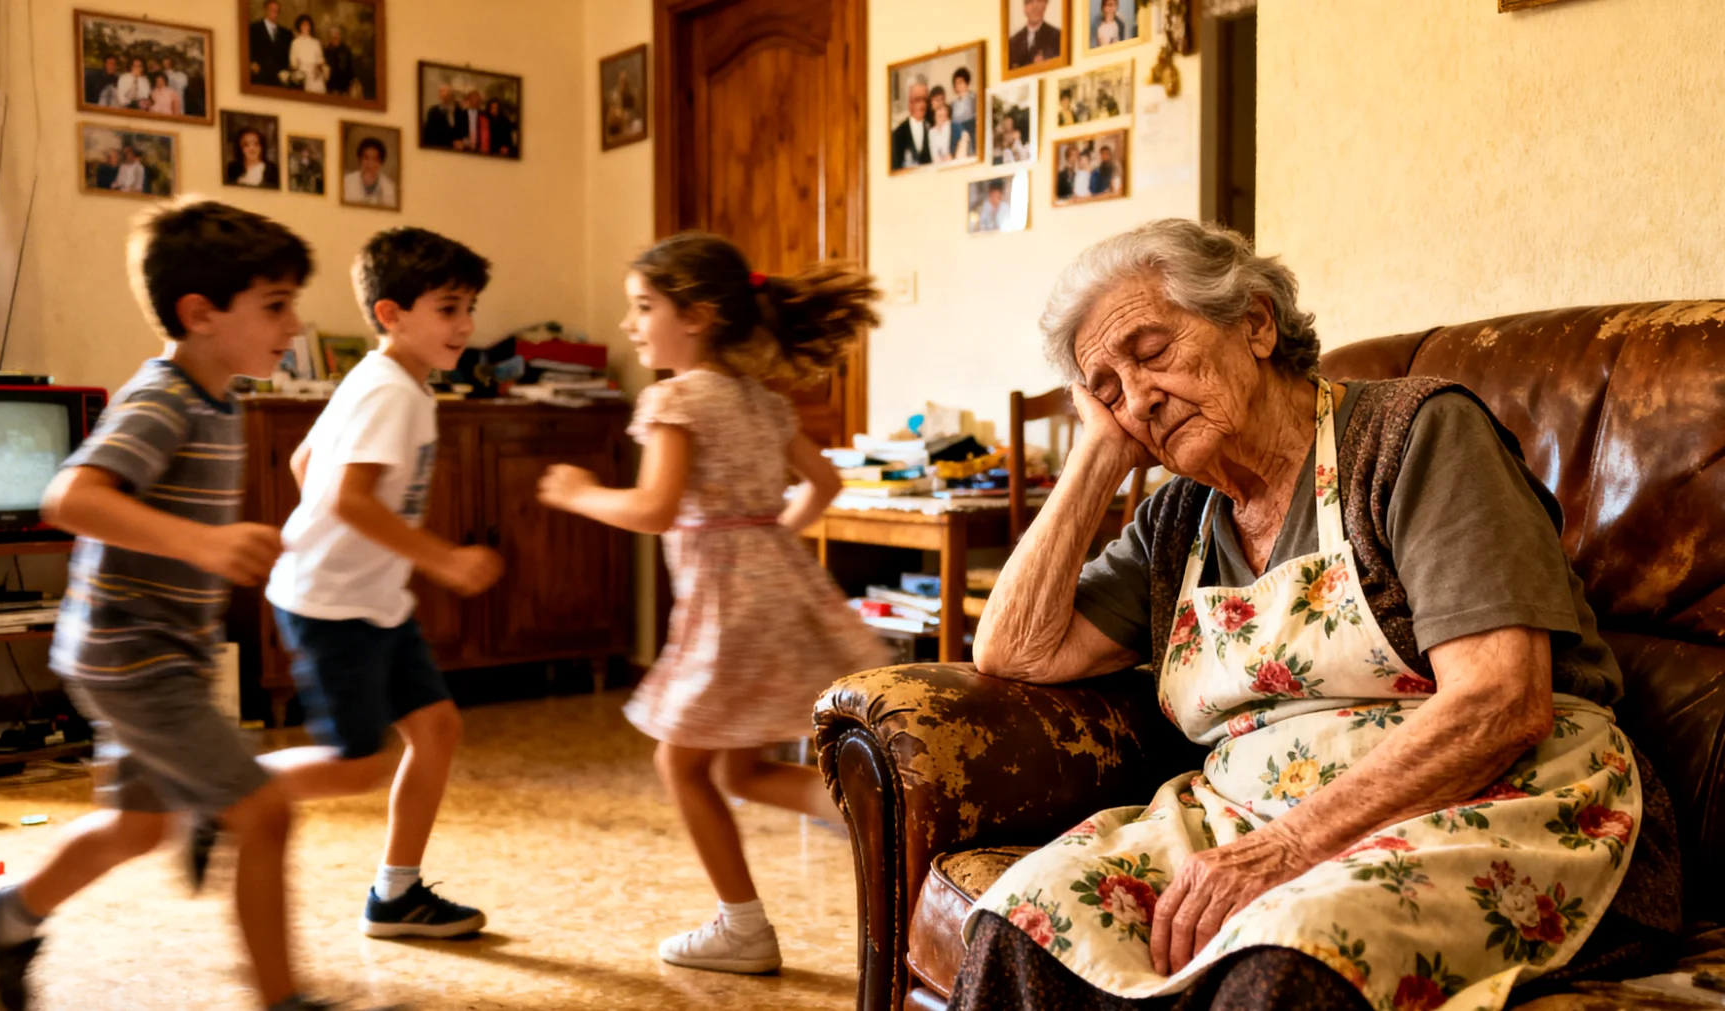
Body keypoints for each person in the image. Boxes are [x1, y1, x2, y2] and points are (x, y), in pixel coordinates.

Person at [949, 218, 1677, 1010]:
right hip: (1252, 813)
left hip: (1501, 799)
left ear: (1256, 324)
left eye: (1153, 351)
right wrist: (1097, 453)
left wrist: (1287, 848)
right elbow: (1014, 650)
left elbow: (1500, 700)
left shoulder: (1416, 435)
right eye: (1110, 390)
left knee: (1280, 961)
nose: (1141, 399)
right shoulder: (1178, 521)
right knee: (1026, 924)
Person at [0, 200, 348, 1011]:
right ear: (200, 314)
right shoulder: (163, 398)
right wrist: (203, 543)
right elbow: (70, 496)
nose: (294, 324)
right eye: (276, 305)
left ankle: (3, 917)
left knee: (137, 826)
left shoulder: (220, 398)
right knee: (265, 812)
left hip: (154, 652)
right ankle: (284, 1000)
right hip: (131, 655)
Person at [537, 233, 890, 975]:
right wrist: (768, 540)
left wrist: (579, 494)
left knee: (681, 765)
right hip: (779, 595)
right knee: (738, 772)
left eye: (644, 307)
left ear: (696, 316)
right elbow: (824, 484)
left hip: (726, 611)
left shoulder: (674, 398)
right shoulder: (763, 401)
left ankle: (742, 927)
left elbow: (655, 508)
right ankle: (890, 816)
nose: (630, 324)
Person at [255, 227, 502, 940]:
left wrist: (345, 545)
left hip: (370, 600)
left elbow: (305, 464)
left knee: (437, 728)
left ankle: (396, 895)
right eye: (449, 309)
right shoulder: (391, 393)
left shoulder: (382, 380)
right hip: (333, 605)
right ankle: (220, 792)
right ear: (390, 313)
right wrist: (442, 559)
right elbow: (348, 499)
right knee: (355, 765)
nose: (466, 325)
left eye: (469, 308)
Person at [343, 137, 397, 209]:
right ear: (360, 160)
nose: (370, 164)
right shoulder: (347, 182)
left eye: (375, 159)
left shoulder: (389, 187)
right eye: (366, 158)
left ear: (381, 163)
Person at [249, 0, 293, 88]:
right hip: (259, 76)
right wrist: (251, 63)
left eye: (277, 10)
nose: (275, 13)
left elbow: (288, 56)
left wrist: (286, 72)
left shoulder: (286, 34)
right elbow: (248, 49)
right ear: (265, 10)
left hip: (279, 80)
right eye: (272, 10)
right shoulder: (253, 28)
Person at [890, 78, 932, 171]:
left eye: (925, 99)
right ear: (909, 102)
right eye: (918, 99)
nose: (922, 104)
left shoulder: (932, 129)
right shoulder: (897, 135)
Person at [1009, 0, 1063, 70]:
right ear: (1024, 7)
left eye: (1039, 1)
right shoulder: (1012, 42)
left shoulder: (1058, 37)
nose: (1035, 7)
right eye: (1030, 1)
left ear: (1045, 4)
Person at [288, 15, 326, 93]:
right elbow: (293, 62)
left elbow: (321, 60)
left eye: (307, 25)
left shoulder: (316, 43)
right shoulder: (295, 42)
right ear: (299, 27)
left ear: (310, 27)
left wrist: (318, 68)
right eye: (303, 25)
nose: (305, 27)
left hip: (315, 75)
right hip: (301, 76)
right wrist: (297, 68)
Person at [422, 84, 464, 149]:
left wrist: (462, 142)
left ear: (452, 95)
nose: (443, 95)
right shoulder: (433, 111)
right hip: (438, 148)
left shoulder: (460, 112)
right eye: (441, 92)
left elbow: (463, 131)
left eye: (446, 93)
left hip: (457, 151)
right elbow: (429, 134)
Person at [949, 67, 978, 161]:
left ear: (966, 82)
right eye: (956, 83)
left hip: (971, 134)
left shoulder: (974, 98)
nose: (959, 86)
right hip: (957, 137)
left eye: (961, 82)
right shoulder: (953, 104)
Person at [926, 86, 956, 163]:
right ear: (931, 101)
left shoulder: (947, 113)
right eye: (937, 100)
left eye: (942, 99)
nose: (940, 103)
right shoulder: (926, 119)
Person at [324, 24, 355, 96]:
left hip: (344, 87)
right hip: (331, 87)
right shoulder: (326, 50)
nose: (335, 36)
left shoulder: (346, 50)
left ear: (340, 35)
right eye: (333, 34)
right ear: (330, 36)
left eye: (336, 33)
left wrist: (352, 82)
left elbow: (351, 67)